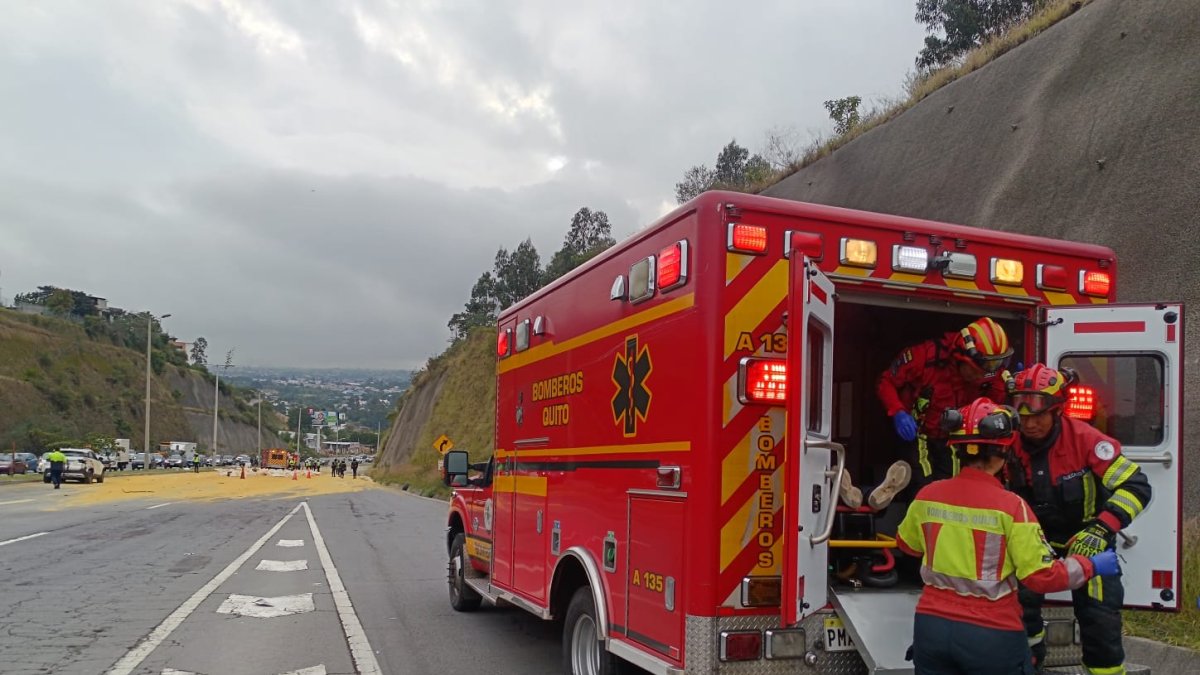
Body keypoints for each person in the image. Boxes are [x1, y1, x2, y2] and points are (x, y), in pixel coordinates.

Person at [897, 398, 1119, 675]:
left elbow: (907, 545)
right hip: (991, 633)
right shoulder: (1013, 508)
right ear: (1003, 453)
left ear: (956, 451)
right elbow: (1040, 577)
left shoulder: (927, 496)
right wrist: (1091, 565)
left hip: (930, 629)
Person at [1008, 364, 1151, 675]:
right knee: (1019, 611)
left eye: (1038, 416)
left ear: (1057, 411)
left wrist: (1101, 529)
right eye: (1024, 417)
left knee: (1100, 620)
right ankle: (1028, 666)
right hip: (1034, 540)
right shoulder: (1008, 444)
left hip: (1089, 537)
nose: (1029, 424)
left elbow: (1136, 486)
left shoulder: (1086, 440)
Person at [877, 316, 1014, 488]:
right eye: (975, 371)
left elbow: (995, 404)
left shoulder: (990, 370)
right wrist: (898, 412)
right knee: (922, 483)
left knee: (954, 484)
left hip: (955, 437)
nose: (981, 376)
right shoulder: (924, 357)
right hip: (919, 434)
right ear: (961, 358)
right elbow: (887, 382)